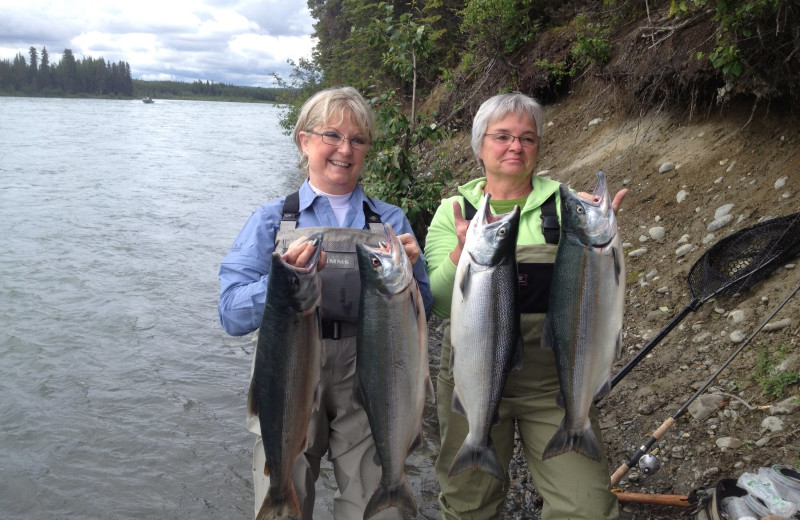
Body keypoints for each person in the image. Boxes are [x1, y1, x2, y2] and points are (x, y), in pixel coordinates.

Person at [217, 86, 433, 519]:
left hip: (371, 367)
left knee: (377, 509)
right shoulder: (271, 220)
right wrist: (281, 281)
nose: (344, 149)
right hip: (288, 369)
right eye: (331, 135)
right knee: (284, 497)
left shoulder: (389, 220)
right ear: (304, 141)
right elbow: (231, 312)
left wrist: (411, 275)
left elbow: (425, 309)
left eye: (357, 139)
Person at [424, 92, 627, 520]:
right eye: (502, 136)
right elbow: (439, 301)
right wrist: (461, 250)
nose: (515, 147)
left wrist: (604, 248)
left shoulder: (569, 204)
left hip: (552, 379)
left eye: (527, 138)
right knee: (467, 505)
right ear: (479, 146)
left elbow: (603, 299)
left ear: (537, 147)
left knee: (587, 509)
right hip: (470, 373)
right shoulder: (453, 211)